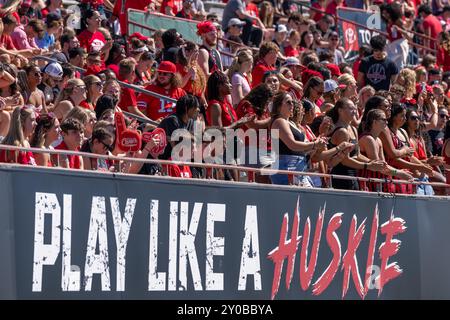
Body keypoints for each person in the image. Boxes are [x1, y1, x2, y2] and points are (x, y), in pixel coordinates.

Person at [269, 91, 327, 186]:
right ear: (279, 106)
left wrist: (316, 144)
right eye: (288, 102)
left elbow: (302, 150)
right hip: (287, 167)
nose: (292, 105)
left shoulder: (290, 123)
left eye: (292, 102)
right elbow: (292, 144)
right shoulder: (279, 121)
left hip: (299, 167)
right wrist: (314, 144)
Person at [327, 98, 386, 190]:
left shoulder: (353, 129)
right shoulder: (342, 132)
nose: (354, 111)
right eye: (351, 108)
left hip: (353, 175)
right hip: (341, 176)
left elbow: (357, 154)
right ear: (340, 110)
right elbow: (345, 160)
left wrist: (371, 162)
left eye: (355, 108)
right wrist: (368, 166)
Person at [358, 109, 413, 192]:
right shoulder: (368, 139)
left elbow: (383, 165)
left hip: (376, 182)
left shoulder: (378, 140)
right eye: (384, 120)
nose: (387, 122)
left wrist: (399, 171)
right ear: (375, 122)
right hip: (368, 184)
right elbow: (379, 167)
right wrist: (399, 173)